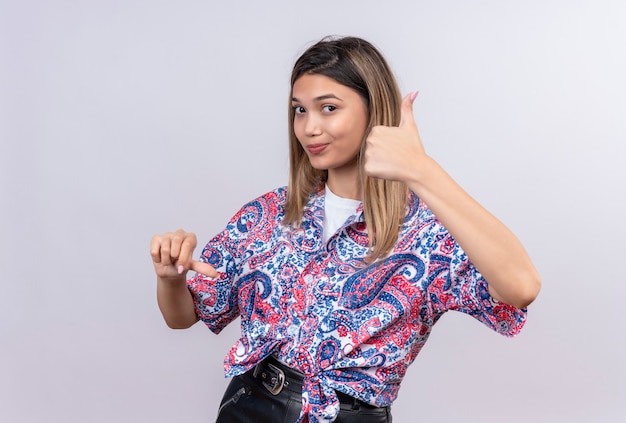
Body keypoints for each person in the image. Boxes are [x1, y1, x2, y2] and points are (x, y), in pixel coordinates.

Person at [150, 36, 541, 423]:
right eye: (299, 110)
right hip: (249, 405)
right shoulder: (268, 213)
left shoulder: (428, 232)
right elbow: (183, 316)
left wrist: (422, 171)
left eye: (329, 108)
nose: (309, 128)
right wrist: (170, 277)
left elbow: (521, 287)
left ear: (374, 111)